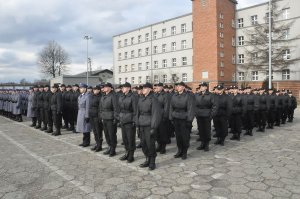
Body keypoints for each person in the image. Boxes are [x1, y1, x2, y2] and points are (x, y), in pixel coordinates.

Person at [137, 83, 161, 170]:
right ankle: (147, 158)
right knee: (143, 144)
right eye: (143, 88)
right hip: (142, 124)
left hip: (149, 125)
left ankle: (152, 162)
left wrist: (153, 127)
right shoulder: (141, 98)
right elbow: (137, 112)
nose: (143, 89)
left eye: (145, 88)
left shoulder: (153, 99)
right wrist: (137, 123)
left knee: (150, 144)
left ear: (150, 89)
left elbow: (156, 114)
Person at [169, 82, 194, 159]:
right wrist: (171, 117)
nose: (178, 87)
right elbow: (171, 107)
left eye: (180, 86)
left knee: (185, 136)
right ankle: (179, 150)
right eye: (177, 86)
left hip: (184, 119)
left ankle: (184, 152)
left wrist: (189, 120)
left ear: (183, 87)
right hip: (176, 118)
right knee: (178, 136)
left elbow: (190, 109)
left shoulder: (188, 96)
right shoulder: (174, 96)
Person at [118, 82, 138, 163]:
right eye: (122, 87)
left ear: (129, 88)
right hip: (123, 119)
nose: (123, 88)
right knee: (125, 138)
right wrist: (119, 118)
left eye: (124, 87)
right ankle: (127, 153)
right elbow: (119, 108)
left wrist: (134, 120)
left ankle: (131, 155)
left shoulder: (133, 97)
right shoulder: (121, 96)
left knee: (130, 139)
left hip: (130, 120)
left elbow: (135, 110)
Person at [195, 82, 217, 151]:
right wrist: (196, 113)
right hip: (199, 115)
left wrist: (211, 115)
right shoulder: (197, 95)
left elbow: (215, 106)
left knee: (207, 130)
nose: (201, 87)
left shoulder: (211, 95)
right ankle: (202, 143)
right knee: (201, 130)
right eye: (201, 86)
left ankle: (206, 144)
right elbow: (194, 105)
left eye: (203, 86)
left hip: (207, 115)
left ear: (206, 87)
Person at [99, 82, 118, 157]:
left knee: (112, 134)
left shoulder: (113, 96)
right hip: (104, 117)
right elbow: (100, 108)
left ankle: (113, 149)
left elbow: (116, 108)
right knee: (106, 134)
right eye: (104, 87)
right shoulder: (103, 96)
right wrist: (101, 116)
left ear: (110, 88)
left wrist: (115, 118)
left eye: (106, 87)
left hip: (110, 118)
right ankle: (109, 147)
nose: (104, 88)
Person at [153, 83, 170, 154]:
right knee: (157, 133)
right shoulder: (155, 95)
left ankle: (163, 147)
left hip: (162, 116)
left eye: (158, 86)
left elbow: (167, 107)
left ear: (162, 87)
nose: (156, 87)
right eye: (156, 86)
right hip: (155, 116)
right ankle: (159, 145)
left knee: (163, 133)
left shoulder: (165, 95)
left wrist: (165, 116)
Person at [89, 85, 103, 152]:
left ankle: (99, 145)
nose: (94, 91)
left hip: (97, 116)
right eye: (94, 89)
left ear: (99, 90)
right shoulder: (91, 96)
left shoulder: (100, 97)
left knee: (98, 131)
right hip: (92, 115)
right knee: (94, 131)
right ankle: (97, 144)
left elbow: (100, 108)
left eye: (96, 89)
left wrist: (100, 117)